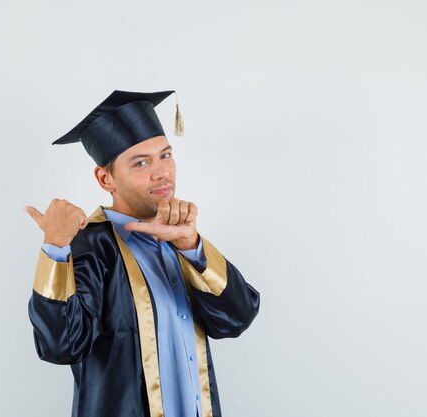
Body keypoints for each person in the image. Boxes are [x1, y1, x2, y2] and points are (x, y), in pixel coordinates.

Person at [25, 90, 260, 417]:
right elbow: (62, 346)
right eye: (141, 162)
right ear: (105, 178)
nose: (162, 172)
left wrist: (191, 245)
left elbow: (236, 319)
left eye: (165, 155)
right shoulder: (91, 245)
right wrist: (55, 247)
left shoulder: (181, 235)